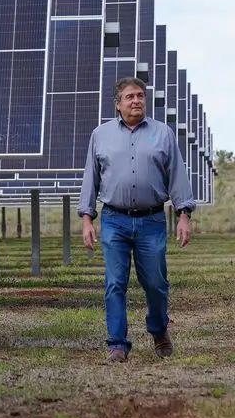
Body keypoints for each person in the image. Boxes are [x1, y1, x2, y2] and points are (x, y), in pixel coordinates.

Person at [78, 77, 196, 363]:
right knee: (115, 282)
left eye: (140, 96)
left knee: (156, 282)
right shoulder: (100, 135)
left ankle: (158, 331)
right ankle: (117, 344)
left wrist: (184, 215)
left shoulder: (163, 133)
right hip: (114, 220)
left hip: (152, 220)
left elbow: (177, 176)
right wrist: (86, 218)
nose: (136, 101)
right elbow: (91, 177)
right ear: (117, 104)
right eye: (130, 96)